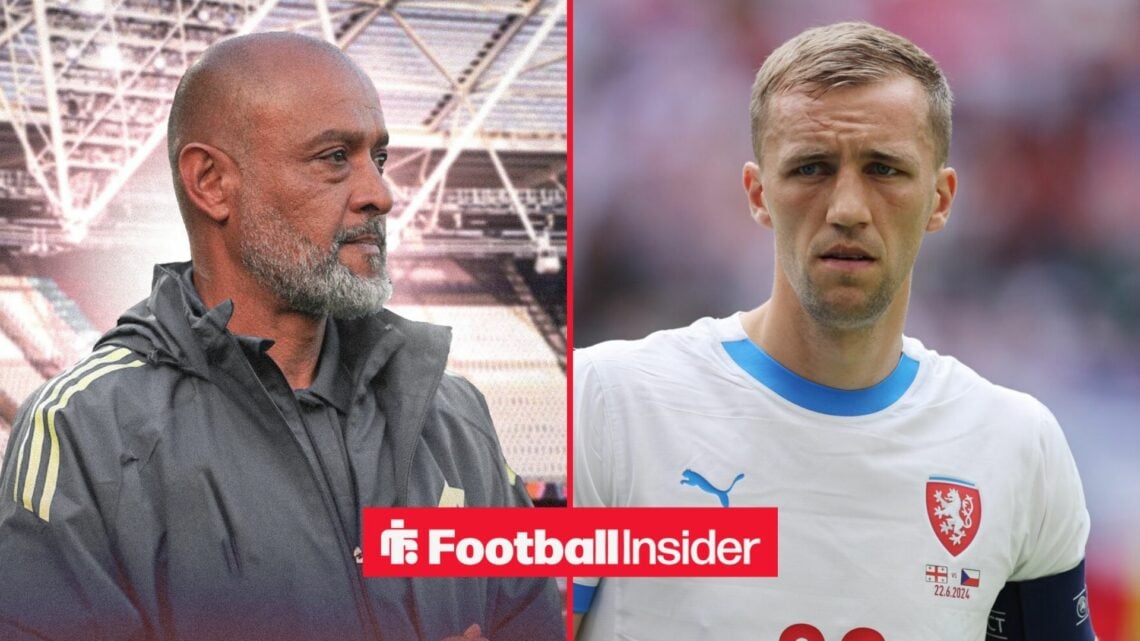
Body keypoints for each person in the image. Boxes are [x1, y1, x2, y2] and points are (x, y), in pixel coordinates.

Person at [0, 32, 562, 641]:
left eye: (378, 157)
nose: (380, 194)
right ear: (211, 182)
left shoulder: (454, 416)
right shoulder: (88, 430)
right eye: (333, 158)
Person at [573, 22, 1094, 641]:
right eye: (812, 168)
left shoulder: (1017, 446)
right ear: (759, 193)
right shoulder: (603, 405)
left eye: (885, 169)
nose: (847, 208)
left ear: (941, 198)